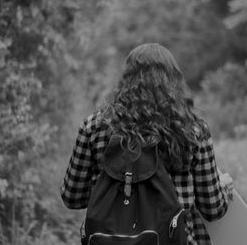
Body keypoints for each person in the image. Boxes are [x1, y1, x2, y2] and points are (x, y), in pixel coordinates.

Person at [60, 43, 234, 245]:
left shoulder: (94, 127)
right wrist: (222, 187)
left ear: (125, 81)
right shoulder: (193, 130)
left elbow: (72, 197)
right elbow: (212, 209)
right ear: (173, 81)